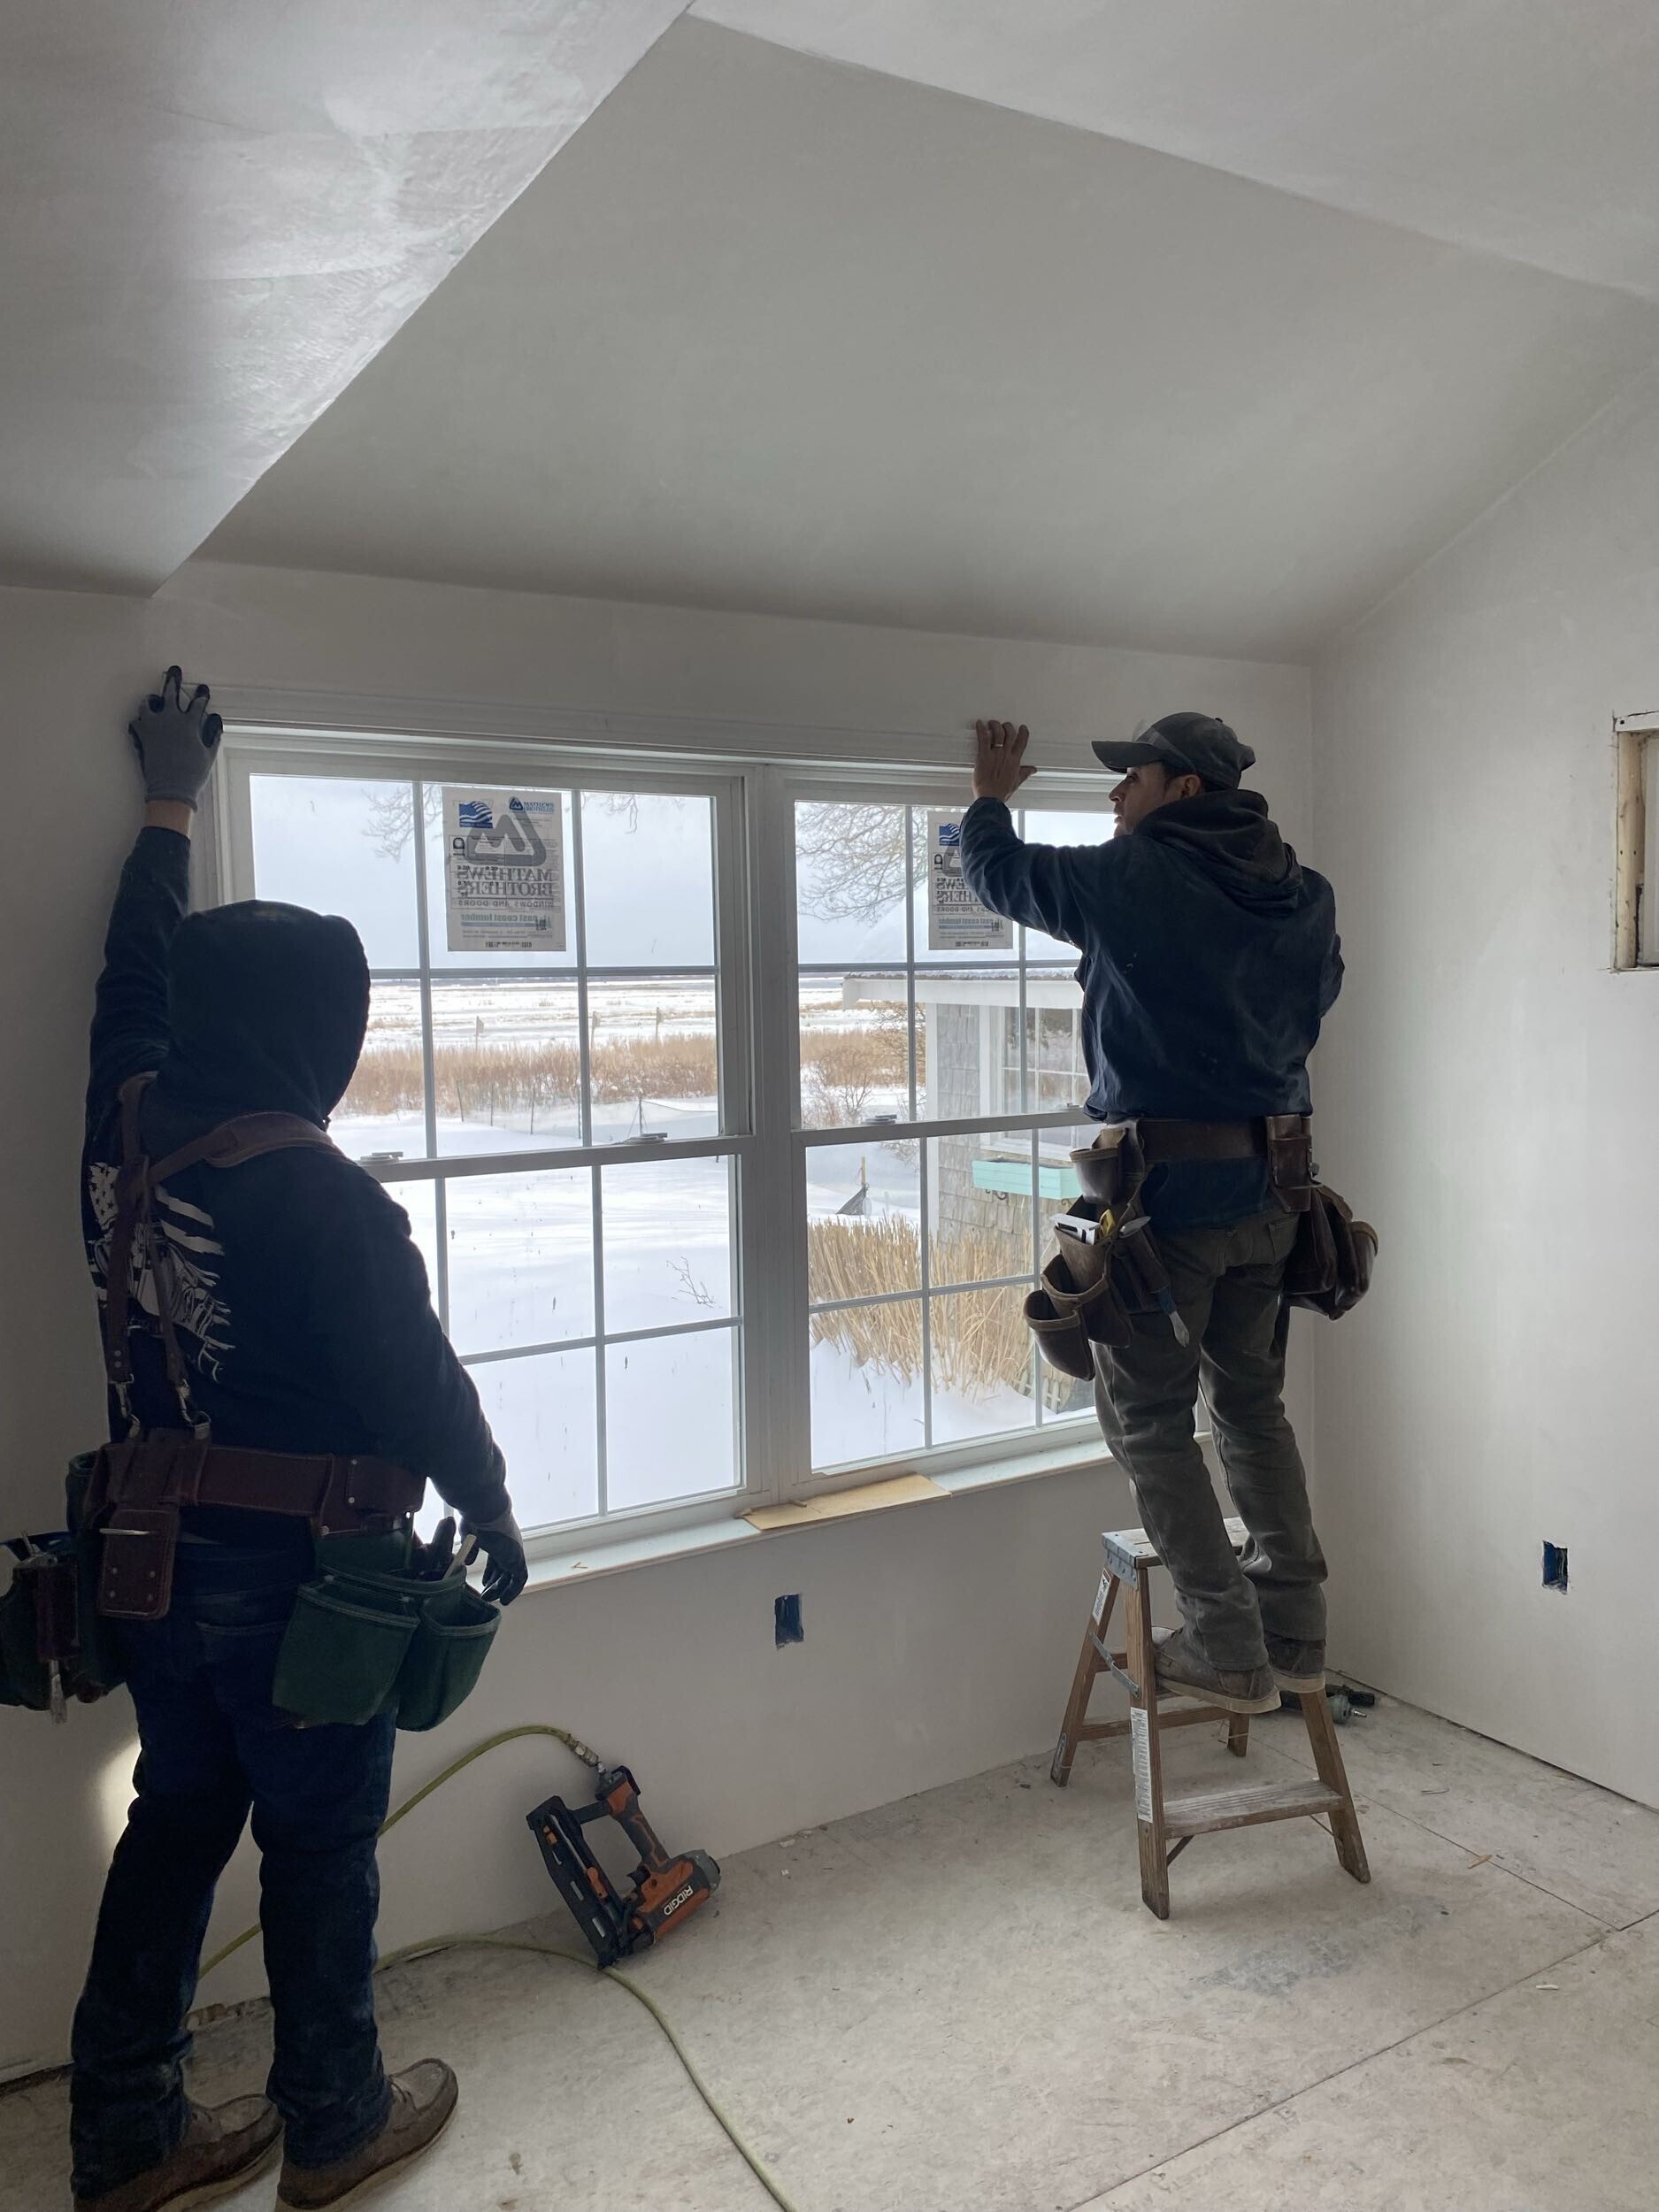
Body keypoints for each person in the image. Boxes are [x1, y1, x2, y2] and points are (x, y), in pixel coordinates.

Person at [71, 670, 528, 2212]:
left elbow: (130, 981)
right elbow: (418, 1389)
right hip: (298, 1585)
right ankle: (334, 2125)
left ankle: (127, 2139)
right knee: (321, 1847)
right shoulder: (322, 1198)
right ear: (314, 1034)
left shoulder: (123, 1129)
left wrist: (167, 810)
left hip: (145, 1563)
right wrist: (495, 1511)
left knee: (174, 1827)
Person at [961, 712, 1341, 1719]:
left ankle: (1227, 1646)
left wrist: (989, 800)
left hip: (1165, 1212)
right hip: (1274, 1198)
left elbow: (1002, 878)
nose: (1115, 793)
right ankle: (1295, 1634)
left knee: (1148, 1424)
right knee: (1251, 1409)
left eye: (1132, 776)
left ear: (1184, 789)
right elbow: (1315, 1001)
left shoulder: (1135, 877)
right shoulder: (1302, 894)